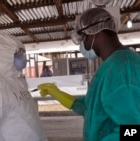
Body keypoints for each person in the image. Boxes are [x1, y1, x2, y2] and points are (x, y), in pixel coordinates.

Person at [37, 8, 140, 141]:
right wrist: (58, 93)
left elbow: (133, 130)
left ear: (96, 34)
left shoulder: (122, 68)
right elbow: (94, 108)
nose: (82, 44)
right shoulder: (112, 65)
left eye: (82, 38)